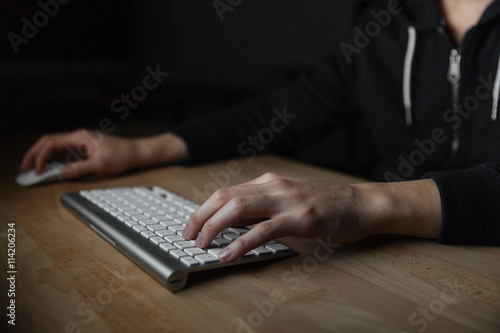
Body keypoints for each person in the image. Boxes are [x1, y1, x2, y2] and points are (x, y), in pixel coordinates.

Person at [20, 0, 500, 262]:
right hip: (388, 260)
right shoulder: (385, 21)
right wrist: (139, 149)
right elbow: (283, 112)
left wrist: (363, 202)